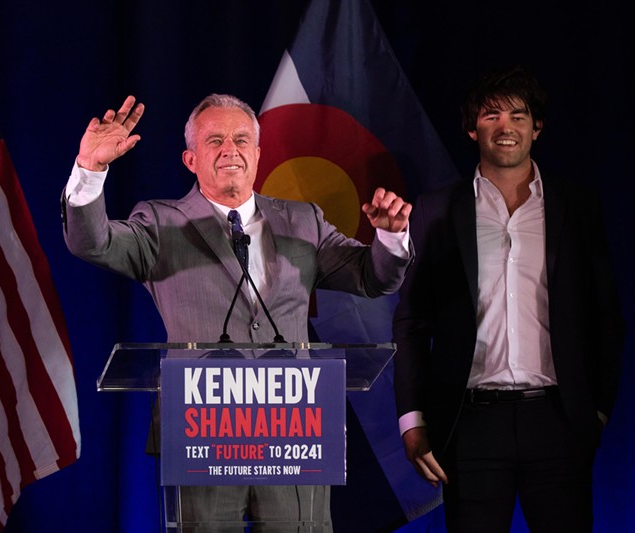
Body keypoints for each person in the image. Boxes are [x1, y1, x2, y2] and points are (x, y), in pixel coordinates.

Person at [62, 93, 413, 531]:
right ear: (191, 159)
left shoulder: (304, 220)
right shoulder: (159, 223)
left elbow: (373, 278)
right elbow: (92, 243)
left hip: (293, 429)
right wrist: (90, 169)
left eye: (241, 139)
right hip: (202, 429)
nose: (231, 149)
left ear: (258, 153)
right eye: (215, 140)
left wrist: (391, 238)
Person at [392, 64, 625, 532]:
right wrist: (412, 420)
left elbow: (605, 314)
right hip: (470, 424)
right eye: (491, 115)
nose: (505, 127)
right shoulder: (435, 210)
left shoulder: (577, 207)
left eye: (518, 116)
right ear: (470, 127)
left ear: (537, 128)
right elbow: (413, 321)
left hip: (559, 421)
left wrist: (597, 408)